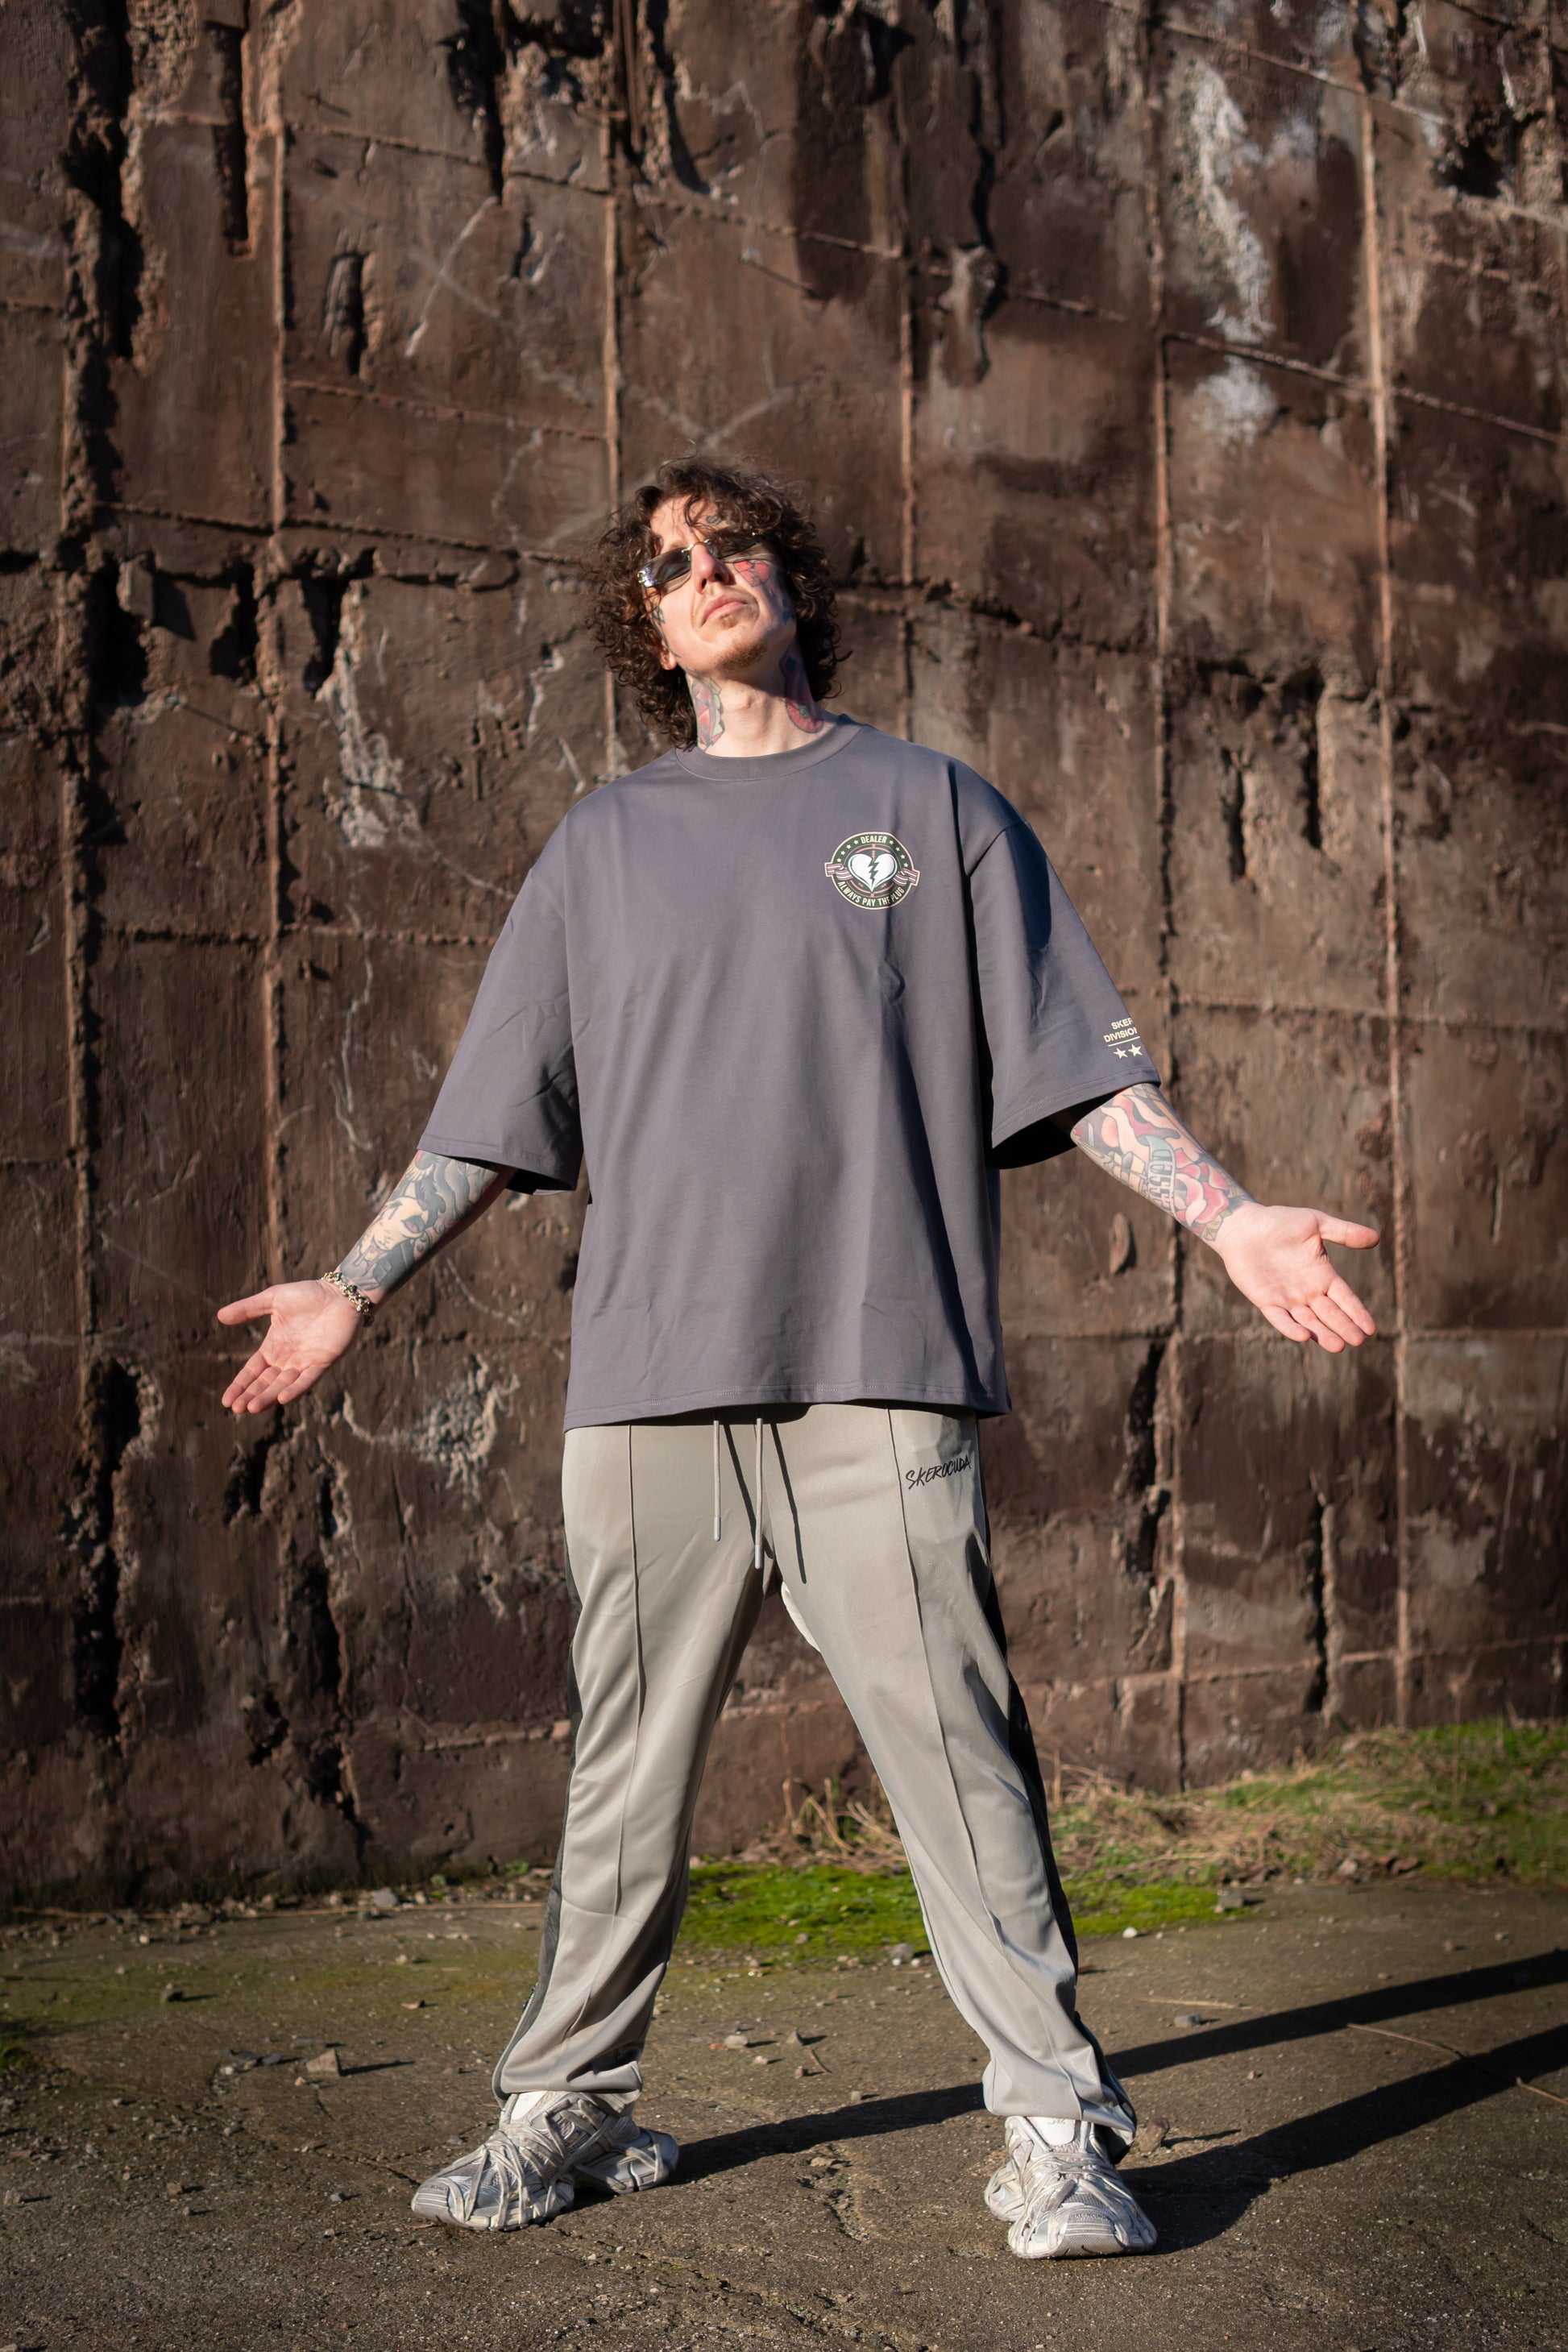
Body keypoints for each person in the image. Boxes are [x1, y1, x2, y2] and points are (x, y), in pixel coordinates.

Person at [218, 458, 1379, 2259]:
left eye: (729, 541)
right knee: (625, 1774)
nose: (702, 569)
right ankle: (568, 2105)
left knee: (962, 1764)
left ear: (784, 573)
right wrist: (354, 1286)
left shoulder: (933, 809)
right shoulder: (602, 847)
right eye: (665, 562)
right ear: (646, 623)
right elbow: (490, 1120)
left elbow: (1074, 1068)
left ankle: (1059, 2133)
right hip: (649, 1384)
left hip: (876, 1368)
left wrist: (1226, 1221)